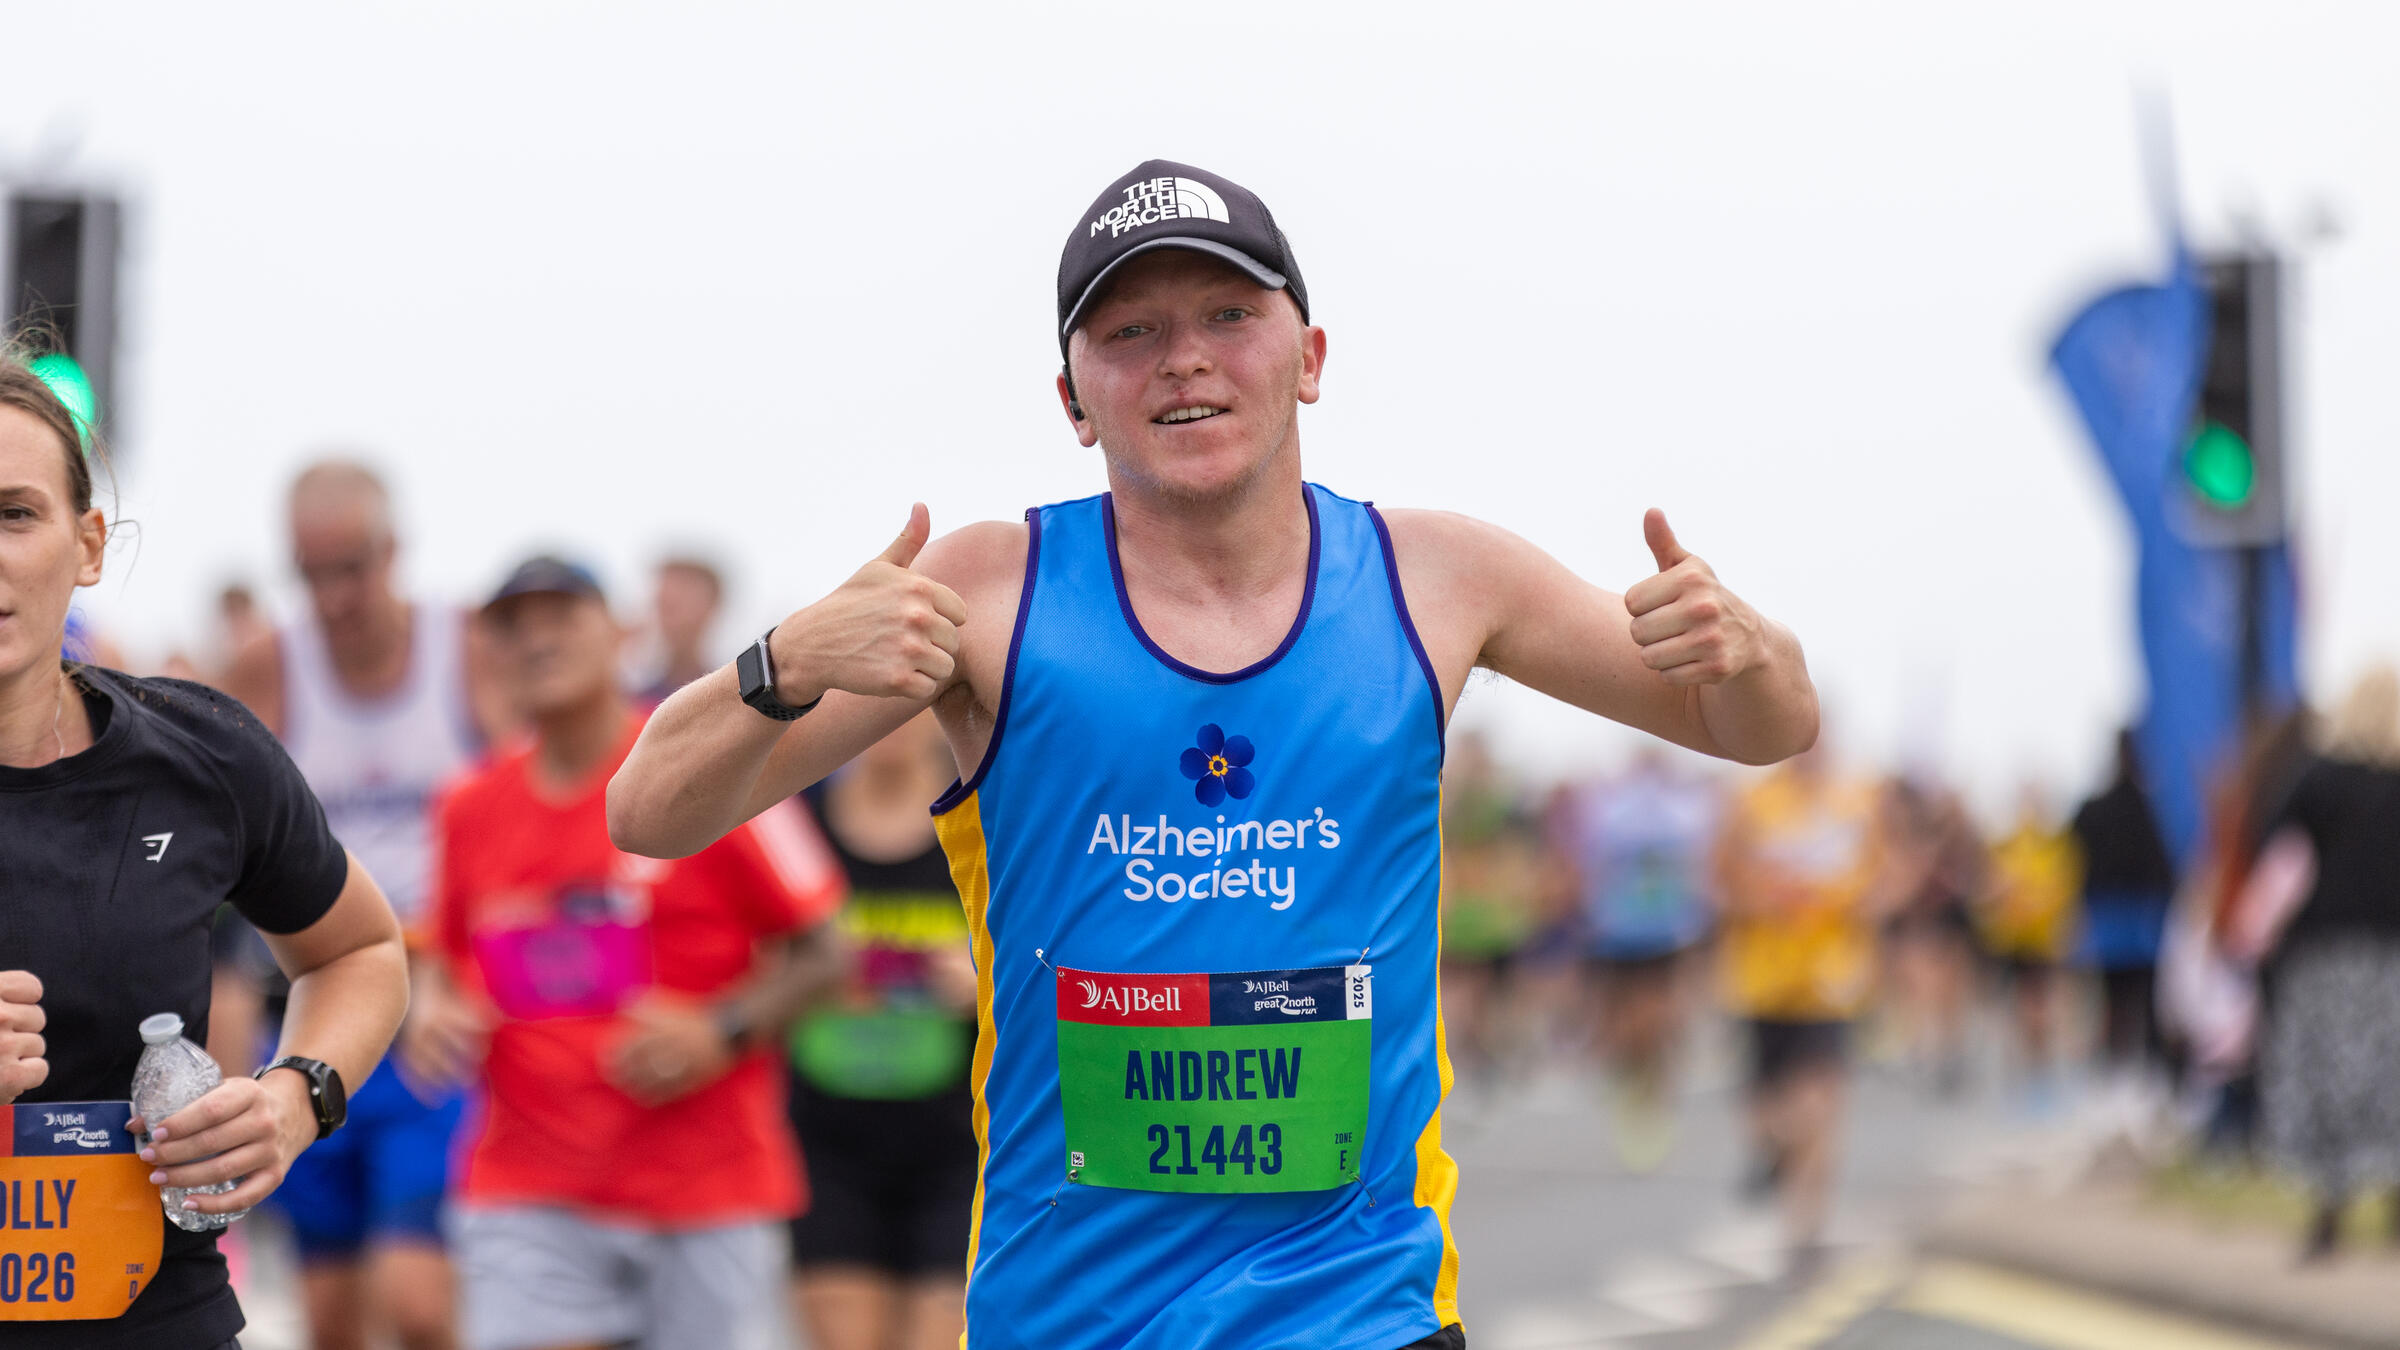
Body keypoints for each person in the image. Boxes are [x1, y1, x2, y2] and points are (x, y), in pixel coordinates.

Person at [606, 160, 1819, 1349]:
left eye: (1230, 314)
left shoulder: (1440, 579)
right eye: (1130, 330)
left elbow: (1753, 729)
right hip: (1073, 1309)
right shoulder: (989, 591)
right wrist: (785, 662)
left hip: (1361, 1301)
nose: (1184, 356)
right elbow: (647, 810)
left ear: (1312, 357)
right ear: (1074, 402)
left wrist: (1748, 650)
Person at [0, 349, 410, 1349]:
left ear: (87, 545)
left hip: (156, 1319)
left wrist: (296, 1096)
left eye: (14, 515)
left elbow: (360, 952)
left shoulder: (202, 755)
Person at [403, 556, 845, 1350]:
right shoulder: (466, 807)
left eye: (561, 615)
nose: (537, 640)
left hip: (704, 1186)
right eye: (512, 625)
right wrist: (432, 1007)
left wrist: (722, 1030)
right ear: (487, 653)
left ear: (619, 630)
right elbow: (443, 950)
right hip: (528, 1186)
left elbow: (828, 951)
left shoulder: (706, 767)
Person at [218, 459, 505, 1350]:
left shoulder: (465, 651)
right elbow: (221, 843)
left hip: (430, 1005)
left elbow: (525, 808)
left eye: (353, 568)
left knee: (418, 1303)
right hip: (312, 1003)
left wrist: (460, 964)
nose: (335, 597)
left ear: (395, 551)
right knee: (334, 1314)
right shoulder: (268, 664)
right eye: (312, 574)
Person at [786, 711, 979, 1350]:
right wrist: (804, 979)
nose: (889, 714)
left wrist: (984, 983)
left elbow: (1049, 967)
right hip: (829, 1147)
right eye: (869, 697)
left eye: (911, 699)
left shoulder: (983, 828)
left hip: (957, 1149)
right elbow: (746, 963)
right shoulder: (798, 828)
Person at [2241, 668, 2400, 1262]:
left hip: (2324, 949)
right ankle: (2392, 1197)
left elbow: (2274, 849)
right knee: (2389, 1075)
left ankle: (2328, 1208)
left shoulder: (2319, 779)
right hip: (2390, 952)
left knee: (2329, 1077)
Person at [1714, 741, 1884, 1257]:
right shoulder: (1753, 803)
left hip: (1831, 983)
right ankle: (1773, 1152)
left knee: (1821, 1104)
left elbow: (1883, 881)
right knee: (1770, 1111)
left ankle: (1804, 1224)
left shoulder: (1856, 804)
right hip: (1763, 981)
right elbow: (1719, 880)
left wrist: (1851, 907)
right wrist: (1766, 901)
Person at [1564, 747, 1720, 1170]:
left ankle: (1653, 1088)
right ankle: (1630, 1081)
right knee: (1626, 1019)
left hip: (1665, 931)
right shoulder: (1614, 809)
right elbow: (1588, 862)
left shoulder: (1683, 810)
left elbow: (1700, 865)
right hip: (1619, 932)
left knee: (1658, 1016)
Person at [1434, 731, 1542, 1100]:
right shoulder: (1478, 801)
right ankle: (1477, 1060)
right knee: (1475, 994)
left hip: (1487, 914)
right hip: (1473, 913)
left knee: (1489, 995)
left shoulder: (1483, 801)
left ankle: (1483, 1059)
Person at [2072, 730, 2181, 1089]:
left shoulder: (2092, 810)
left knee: (2112, 1000)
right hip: (2141, 921)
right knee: (2146, 999)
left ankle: (2114, 1074)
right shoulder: (2152, 807)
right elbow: (2165, 865)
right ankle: (2148, 1075)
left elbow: (2076, 862)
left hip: (2109, 920)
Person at [1976, 785, 2081, 1102]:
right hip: (2015, 941)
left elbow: (2064, 894)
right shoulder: (2007, 846)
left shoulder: (2057, 846)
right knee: (2022, 1011)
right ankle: (2024, 1078)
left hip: (2043, 941)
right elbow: (1989, 892)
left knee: (2041, 1010)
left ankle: (2041, 1076)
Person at [630, 555, 726, 707]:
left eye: (674, 607)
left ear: (711, 608)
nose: (667, 621)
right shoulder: (633, 700)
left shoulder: (735, 695)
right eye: (662, 605)